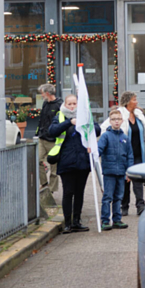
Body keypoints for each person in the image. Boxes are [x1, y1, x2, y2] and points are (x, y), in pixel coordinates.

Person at [46, 93, 100, 234]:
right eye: (69, 104)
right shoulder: (60, 116)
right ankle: (67, 223)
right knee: (68, 192)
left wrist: (86, 123)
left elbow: (97, 129)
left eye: (74, 103)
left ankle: (77, 221)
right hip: (66, 161)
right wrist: (69, 122)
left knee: (79, 192)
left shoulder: (86, 115)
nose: (71, 106)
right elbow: (52, 131)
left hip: (82, 160)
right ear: (65, 104)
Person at [97, 108, 134, 230]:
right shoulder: (106, 136)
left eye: (118, 119)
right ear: (110, 121)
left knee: (119, 197)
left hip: (121, 172)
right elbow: (99, 150)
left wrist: (129, 172)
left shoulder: (125, 138)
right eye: (113, 119)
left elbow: (129, 155)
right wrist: (94, 152)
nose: (116, 122)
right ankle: (105, 220)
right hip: (109, 171)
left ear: (122, 120)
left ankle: (117, 219)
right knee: (108, 196)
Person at [118, 91, 145, 216]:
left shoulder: (138, 114)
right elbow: (107, 127)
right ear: (127, 101)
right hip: (126, 153)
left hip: (139, 152)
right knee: (125, 180)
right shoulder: (120, 114)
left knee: (138, 180)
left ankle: (140, 205)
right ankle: (124, 206)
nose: (136, 102)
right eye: (134, 99)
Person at [35, 84, 61, 197]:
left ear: (47, 93)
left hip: (54, 140)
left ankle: (51, 189)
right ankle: (44, 183)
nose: (41, 95)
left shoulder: (60, 105)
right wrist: (38, 132)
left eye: (42, 93)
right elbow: (42, 119)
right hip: (42, 138)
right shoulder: (45, 103)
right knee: (37, 160)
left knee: (54, 166)